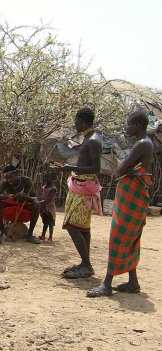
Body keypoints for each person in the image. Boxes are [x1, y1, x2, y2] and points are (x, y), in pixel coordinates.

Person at [87, 111, 153, 297]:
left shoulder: (141, 144)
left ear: (138, 125)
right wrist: (125, 167)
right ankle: (133, 282)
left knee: (119, 236)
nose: (126, 128)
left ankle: (107, 284)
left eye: (129, 125)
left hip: (132, 195)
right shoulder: (146, 143)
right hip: (135, 195)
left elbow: (120, 170)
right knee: (130, 237)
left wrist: (123, 167)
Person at [58, 107, 103, 279]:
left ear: (82, 121)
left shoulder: (92, 140)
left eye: (76, 121)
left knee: (72, 226)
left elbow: (96, 168)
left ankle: (87, 265)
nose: (75, 124)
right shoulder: (90, 138)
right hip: (81, 184)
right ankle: (85, 263)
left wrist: (72, 168)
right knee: (82, 226)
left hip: (84, 187)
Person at [0, 164, 41, 244]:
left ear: (16, 174)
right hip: (11, 207)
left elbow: (36, 198)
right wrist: (10, 196)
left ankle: (30, 235)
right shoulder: (5, 183)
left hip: (24, 206)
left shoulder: (26, 180)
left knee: (37, 204)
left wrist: (25, 198)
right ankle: (3, 233)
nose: (8, 180)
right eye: (6, 178)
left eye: (10, 177)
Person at [38, 169, 58, 242]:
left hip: (49, 208)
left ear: (53, 179)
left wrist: (41, 201)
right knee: (45, 222)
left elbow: (50, 198)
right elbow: (42, 196)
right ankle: (43, 235)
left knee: (50, 223)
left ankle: (50, 237)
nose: (46, 179)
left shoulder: (53, 189)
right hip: (43, 208)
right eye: (45, 177)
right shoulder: (44, 187)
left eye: (48, 177)